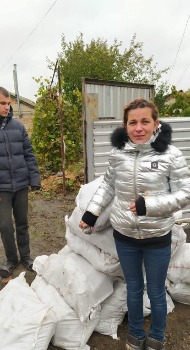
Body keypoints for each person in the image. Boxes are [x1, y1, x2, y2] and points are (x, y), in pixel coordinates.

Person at [79, 98, 190, 350]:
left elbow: (185, 192)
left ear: (155, 123)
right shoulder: (118, 153)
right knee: (133, 288)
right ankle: (136, 335)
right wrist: (91, 213)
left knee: (156, 291)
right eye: (132, 122)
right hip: (125, 236)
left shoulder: (170, 155)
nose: (138, 128)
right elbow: (108, 185)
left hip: (157, 237)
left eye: (144, 121)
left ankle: (157, 337)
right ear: (125, 125)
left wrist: (148, 207)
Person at [0, 86, 41, 281]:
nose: (7, 107)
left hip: (21, 185)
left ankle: (26, 258)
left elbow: (28, 154)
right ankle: (11, 260)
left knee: (22, 223)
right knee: (6, 225)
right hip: (0, 188)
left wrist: (34, 179)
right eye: (3, 103)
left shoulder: (18, 126)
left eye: (9, 103)